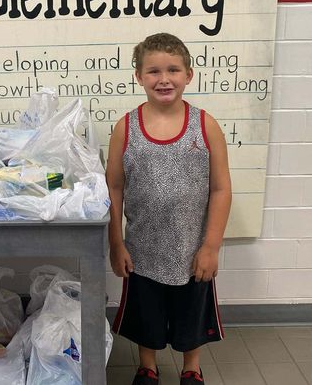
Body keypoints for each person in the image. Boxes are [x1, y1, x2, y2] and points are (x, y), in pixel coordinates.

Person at [106, 33, 232, 385]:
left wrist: (211, 246)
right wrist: (116, 244)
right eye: (154, 71)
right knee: (147, 315)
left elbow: (221, 189)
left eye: (173, 70)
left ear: (189, 75)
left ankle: (191, 367)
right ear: (139, 76)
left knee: (191, 314)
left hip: (192, 250)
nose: (164, 79)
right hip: (142, 250)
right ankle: (148, 365)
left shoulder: (206, 126)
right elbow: (113, 187)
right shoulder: (125, 128)